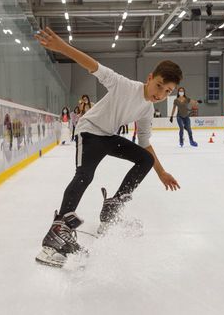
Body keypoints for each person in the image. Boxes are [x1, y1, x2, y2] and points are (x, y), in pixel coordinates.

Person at [34, 27, 182, 267]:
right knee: (85, 175)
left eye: (167, 92)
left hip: (108, 136)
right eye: (159, 86)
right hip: (90, 132)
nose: (160, 95)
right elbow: (93, 66)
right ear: (150, 78)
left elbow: (145, 143)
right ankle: (55, 234)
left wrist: (161, 172)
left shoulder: (146, 110)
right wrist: (62, 47)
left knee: (144, 159)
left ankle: (114, 205)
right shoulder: (125, 86)